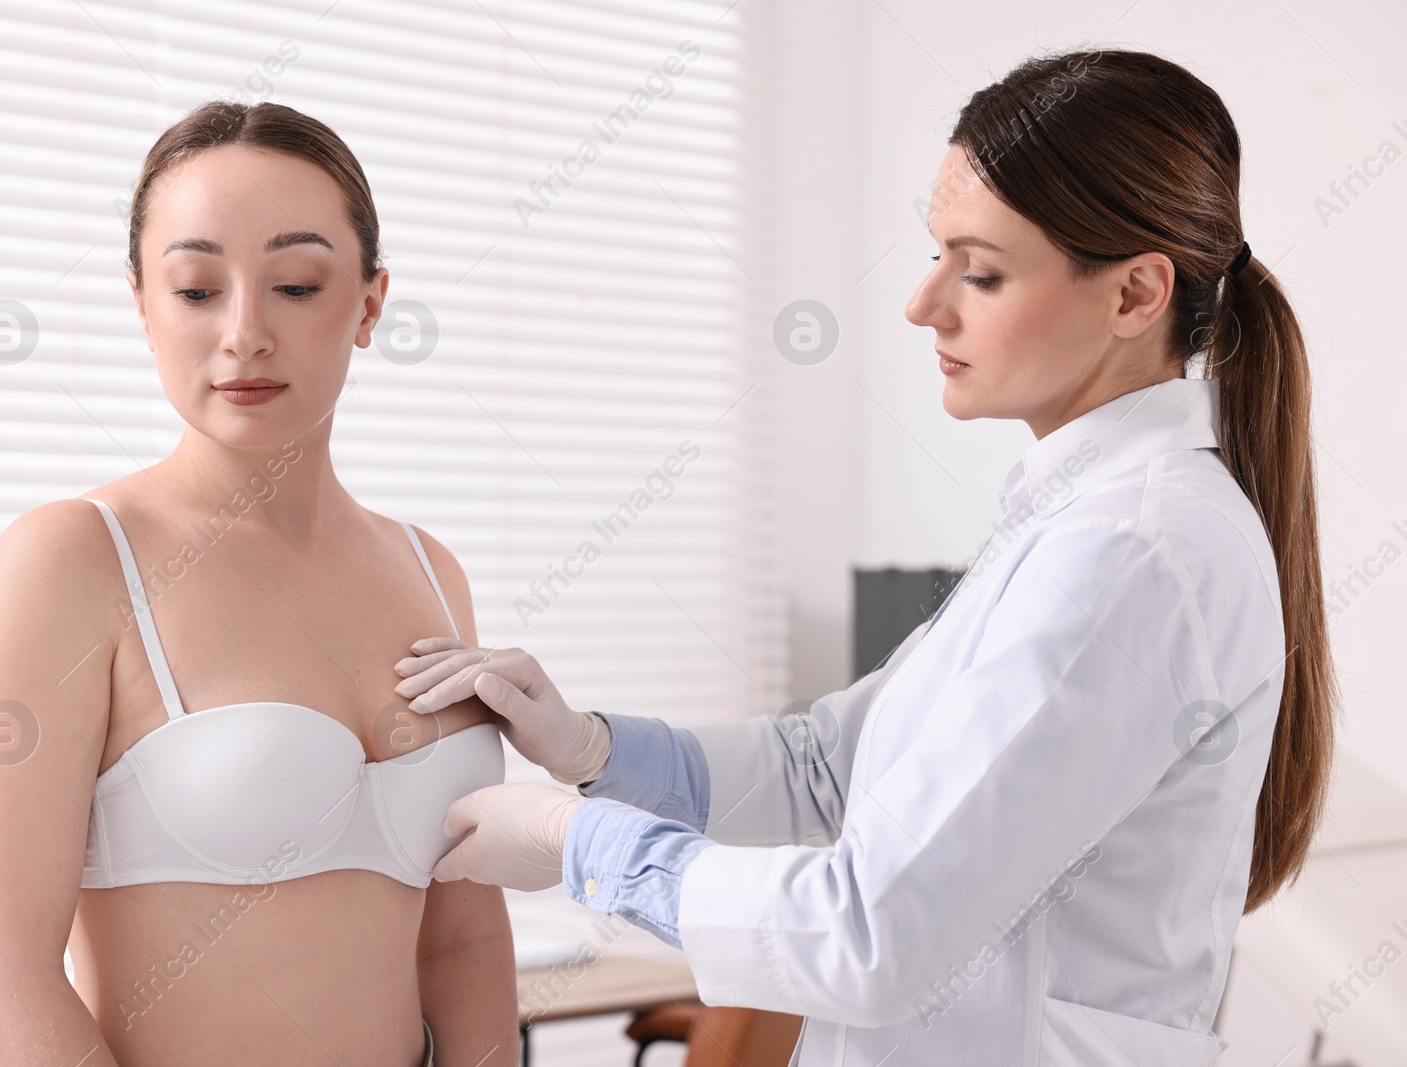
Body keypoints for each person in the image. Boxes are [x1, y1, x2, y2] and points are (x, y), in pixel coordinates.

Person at [395, 49, 1336, 1065]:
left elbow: (868, 936)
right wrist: (588, 747)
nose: (924, 302)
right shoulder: (1071, 524)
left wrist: (574, 843)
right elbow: (828, 770)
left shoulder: (1134, 553)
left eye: (979, 269)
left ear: (1133, 294)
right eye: (936, 254)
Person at [0, 102, 518, 1067]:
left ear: (370, 304)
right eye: (198, 289)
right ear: (141, 303)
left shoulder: (429, 570)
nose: (244, 333)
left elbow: (461, 939)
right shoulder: (73, 560)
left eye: (295, 283)